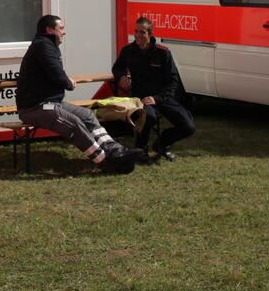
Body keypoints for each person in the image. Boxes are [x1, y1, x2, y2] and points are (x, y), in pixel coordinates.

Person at [16, 15, 145, 173]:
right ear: (49, 30)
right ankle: (104, 161)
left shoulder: (47, 45)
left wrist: (66, 80)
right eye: (61, 28)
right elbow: (57, 74)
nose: (64, 32)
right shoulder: (43, 45)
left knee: (87, 115)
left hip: (51, 103)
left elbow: (54, 73)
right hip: (34, 108)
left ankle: (116, 151)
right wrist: (69, 82)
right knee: (73, 122)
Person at [111, 17, 196, 161]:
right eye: (136, 31)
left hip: (162, 97)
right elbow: (117, 68)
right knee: (148, 116)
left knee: (188, 127)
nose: (138, 35)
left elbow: (173, 81)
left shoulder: (163, 53)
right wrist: (121, 77)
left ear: (150, 34)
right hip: (140, 97)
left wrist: (157, 98)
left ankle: (161, 144)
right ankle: (140, 150)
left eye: (142, 32)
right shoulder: (128, 50)